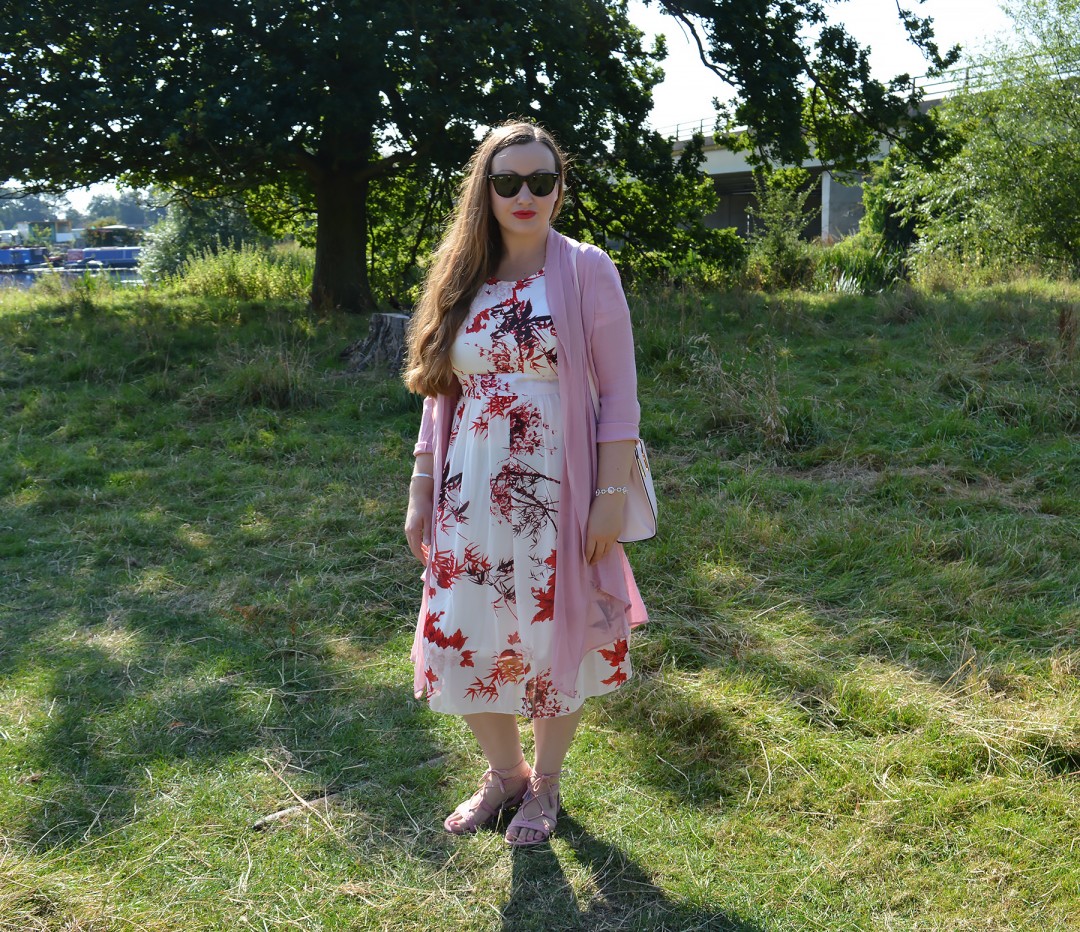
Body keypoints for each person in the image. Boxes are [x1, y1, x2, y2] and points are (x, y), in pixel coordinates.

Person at [402, 120, 648, 846]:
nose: (525, 194)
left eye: (542, 180)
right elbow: (438, 391)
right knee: (463, 634)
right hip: (468, 493)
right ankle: (502, 776)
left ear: (559, 190)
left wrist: (608, 499)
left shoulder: (585, 269)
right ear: (486, 189)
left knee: (551, 638)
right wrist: (421, 487)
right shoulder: (462, 272)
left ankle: (545, 785)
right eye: (508, 180)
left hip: (560, 492)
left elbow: (622, 397)